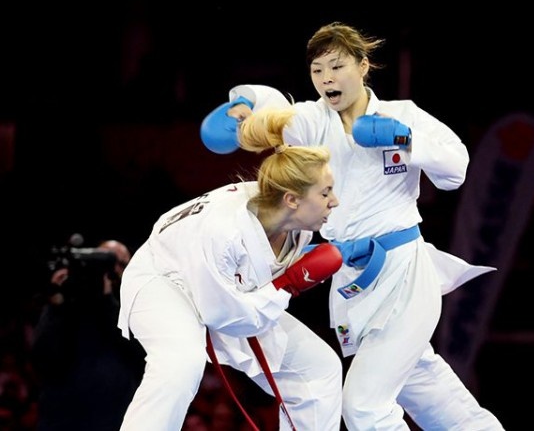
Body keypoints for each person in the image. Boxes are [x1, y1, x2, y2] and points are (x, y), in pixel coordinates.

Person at [202, 21, 505, 430]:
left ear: (363, 66)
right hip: (350, 278)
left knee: (364, 405)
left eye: (336, 66)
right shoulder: (312, 120)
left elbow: (456, 170)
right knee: (425, 387)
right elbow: (271, 114)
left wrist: (404, 139)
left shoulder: (402, 114)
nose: (327, 78)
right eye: (317, 70)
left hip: (404, 271)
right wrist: (243, 108)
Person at [117, 108, 344, 431]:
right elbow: (227, 317)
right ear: (292, 199)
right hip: (165, 281)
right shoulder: (225, 231)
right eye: (325, 193)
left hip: (225, 289)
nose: (334, 201)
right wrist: (287, 284)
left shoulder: (293, 219)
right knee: (180, 363)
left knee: (319, 369)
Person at [31, 239, 146, 431]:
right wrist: (56, 305)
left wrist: (106, 301)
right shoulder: (65, 304)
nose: (112, 269)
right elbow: (43, 361)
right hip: (62, 422)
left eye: (121, 264)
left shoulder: (137, 308)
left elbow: (141, 354)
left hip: (116, 421)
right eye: (104, 261)